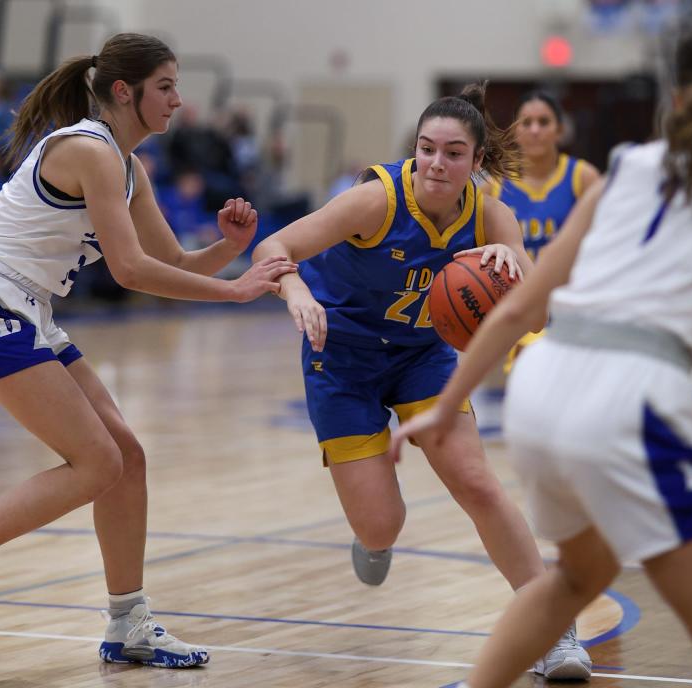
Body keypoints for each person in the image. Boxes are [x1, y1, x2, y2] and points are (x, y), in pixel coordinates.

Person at [391, 17, 692, 688]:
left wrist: (446, 407)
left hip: (542, 390)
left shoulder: (625, 169)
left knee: (576, 577)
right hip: (630, 403)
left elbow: (523, 305)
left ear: (675, 100)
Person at [0, 33, 297, 669]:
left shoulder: (129, 165)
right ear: (124, 91)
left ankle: (128, 622)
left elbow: (171, 260)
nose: (176, 100)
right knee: (96, 463)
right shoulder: (88, 149)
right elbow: (132, 272)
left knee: (126, 458)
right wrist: (234, 292)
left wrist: (228, 249)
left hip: (28, 308)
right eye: (165, 87)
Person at [253, 84, 592, 681]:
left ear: (476, 162)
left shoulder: (491, 214)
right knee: (380, 523)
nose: (436, 163)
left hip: (423, 356)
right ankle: (374, 537)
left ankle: (552, 631)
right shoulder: (373, 201)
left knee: (477, 482)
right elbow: (274, 244)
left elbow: (534, 315)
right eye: (427, 149)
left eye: (453, 153)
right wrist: (297, 289)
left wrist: (516, 273)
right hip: (342, 357)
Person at [486, 90, 600, 370]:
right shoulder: (493, 186)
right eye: (526, 122)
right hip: (522, 305)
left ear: (559, 130)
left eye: (544, 122)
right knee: (531, 370)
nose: (535, 130)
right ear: (515, 130)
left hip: (573, 304)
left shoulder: (583, 177)